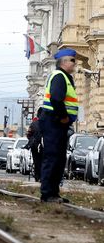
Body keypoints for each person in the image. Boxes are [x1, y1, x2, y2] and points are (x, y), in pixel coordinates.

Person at [39, 49, 78, 203]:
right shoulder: (59, 76)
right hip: (54, 121)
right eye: (73, 60)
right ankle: (47, 194)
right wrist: (63, 117)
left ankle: (53, 193)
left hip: (55, 122)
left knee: (58, 158)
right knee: (53, 157)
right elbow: (56, 98)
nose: (75, 63)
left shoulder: (64, 77)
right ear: (64, 62)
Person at [26, 108, 43, 182]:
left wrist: (31, 140)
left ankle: (37, 176)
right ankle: (42, 176)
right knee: (43, 161)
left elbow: (28, 135)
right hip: (44, 145)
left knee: (36, 161)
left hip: (35, 146)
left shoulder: (33, 124)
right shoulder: (48, 124)